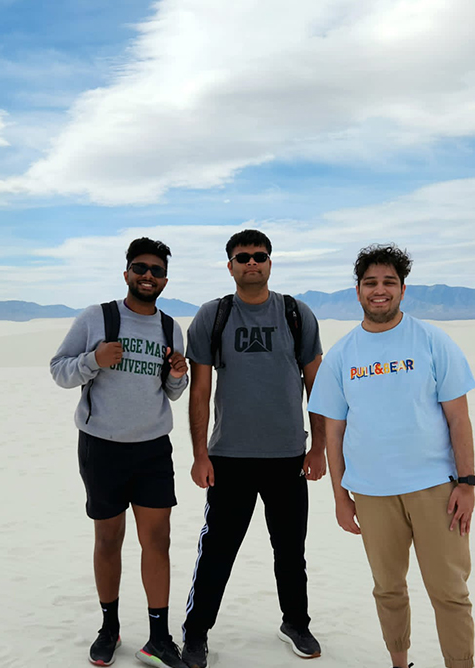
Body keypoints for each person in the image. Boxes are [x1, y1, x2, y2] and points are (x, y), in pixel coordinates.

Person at [307, 243, 475, 668]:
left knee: (450, 591)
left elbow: (459, 418)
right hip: (371, 493)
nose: (379, 290)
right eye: (370, 283)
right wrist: (340, 496)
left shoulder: (432, 340)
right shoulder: (343, 355)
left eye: (388, 282)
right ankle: (400, 663)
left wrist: (468, 484)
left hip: (435, 490)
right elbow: (334, 431)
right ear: (359, 291)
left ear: (403, 290)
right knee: (387, 588)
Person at [180, 229, 326, 668]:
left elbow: (315, 383)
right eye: (242, 257)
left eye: (260, 256)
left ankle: (295, 622)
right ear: (230, 265)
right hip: (229, 458)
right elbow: (200, 389)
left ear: (270, 262)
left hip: (287, 457)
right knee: (218, 550)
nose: (252, 263)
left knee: (290, 548)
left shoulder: (296, 314)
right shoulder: (214, 315)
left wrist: (317, 448)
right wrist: (200, 453)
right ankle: (196, 633)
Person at [49, 237, 190, 668]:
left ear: (165, 279)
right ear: (126, 272)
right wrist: (94, 359)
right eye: (140, 268)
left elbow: (170, 391)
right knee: (108, 539)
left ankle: (160, 636)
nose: (148, 276)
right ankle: (109, 628)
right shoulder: (98, 318)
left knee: (158, 541)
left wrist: (178, 375)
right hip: (101, 448)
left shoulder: (170, 327)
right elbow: (60, 370)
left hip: (151, 449)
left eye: (157, 271)